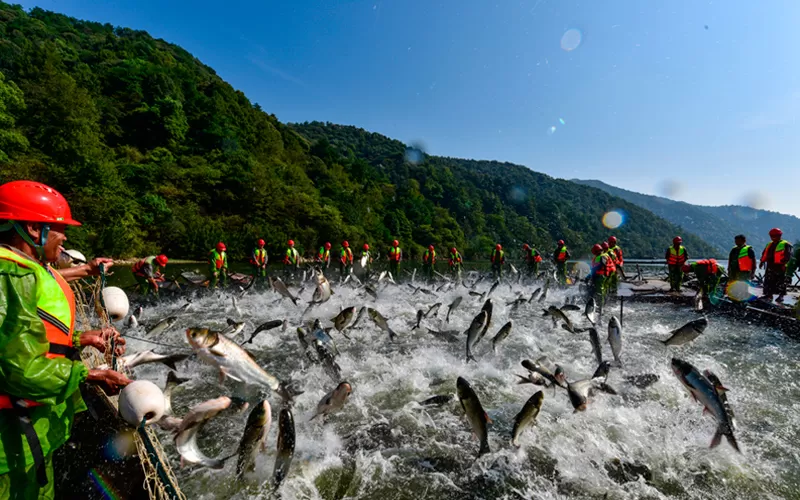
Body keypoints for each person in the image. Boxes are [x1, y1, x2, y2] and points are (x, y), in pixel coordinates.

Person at [0, 180, 131, 498]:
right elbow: (16, 368)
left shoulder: (29, 270)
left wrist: (78, 338)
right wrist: (90, 373)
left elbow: (28, 334)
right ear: (33, 228)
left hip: (31, 429)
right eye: (59, 229)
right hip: (11, 442)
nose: (65, 238)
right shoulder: (9, 277)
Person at [759, 228, 793, 303]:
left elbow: (789, 256)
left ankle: (781, 296)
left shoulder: (786, 244)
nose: (773, 237)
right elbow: (764, 253)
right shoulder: (769, 244)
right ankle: (768, 294)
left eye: (775, 235)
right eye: (772, 236)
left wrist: (785, 264)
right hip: (770, 265)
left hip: (780, 266)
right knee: (768, 280)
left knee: (781, 281)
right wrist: (761, 262)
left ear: (780, 235)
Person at [589, 243, 615, 309]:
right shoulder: (599, 256)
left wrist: (595, 269)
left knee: (600, 291)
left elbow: (602, 264)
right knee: (598, 290)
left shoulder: (603, 256)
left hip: (601, 276)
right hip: (598, 275)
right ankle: (597, 304)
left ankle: (600, 307)